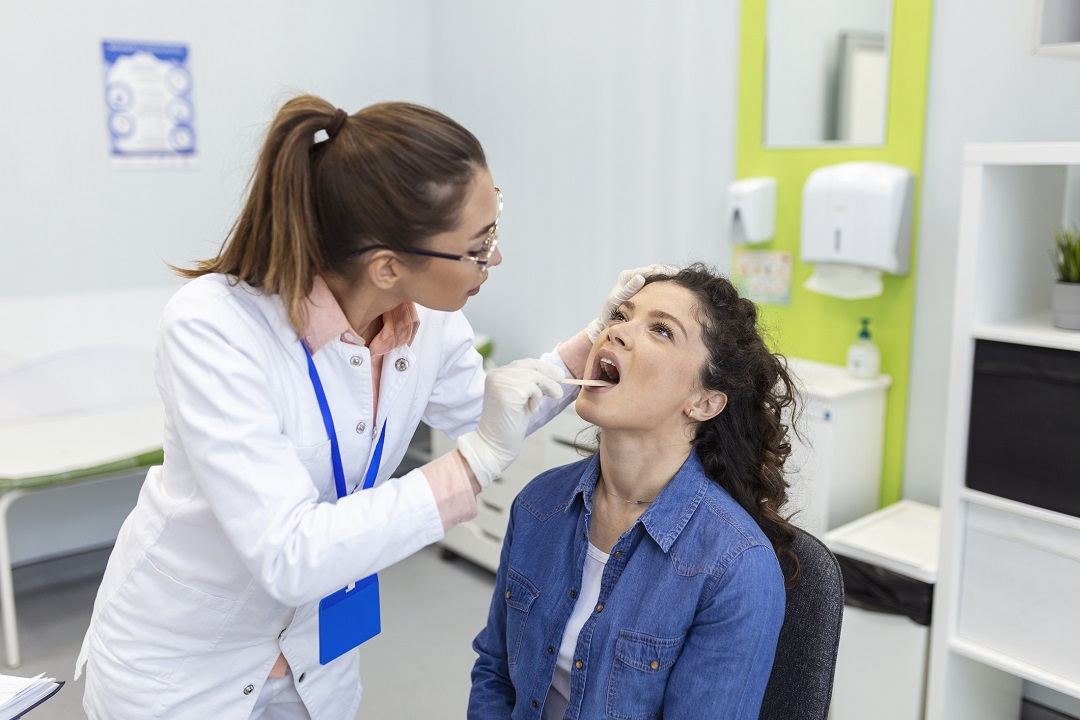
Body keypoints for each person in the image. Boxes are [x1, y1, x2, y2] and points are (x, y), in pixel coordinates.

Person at [74, 94, 668, 719]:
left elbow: (485, 409)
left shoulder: (428, 324)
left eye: (496, 225)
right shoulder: (214, 327)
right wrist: (471, 468)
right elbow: (290, 554)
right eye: (477, 243)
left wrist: (593, 341)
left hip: (316, 658)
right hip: (184, 670)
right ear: (388, 266)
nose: (496, 257)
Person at [469, 263, 801, 720]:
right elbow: (494, 673)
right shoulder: (538, 504)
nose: (617, 333)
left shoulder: (736, 568)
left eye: (662, 330)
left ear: (704, 402)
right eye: (621, 317)